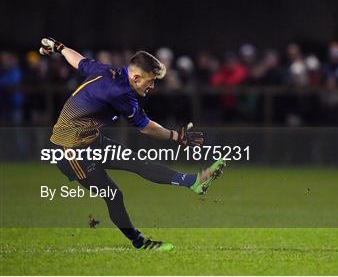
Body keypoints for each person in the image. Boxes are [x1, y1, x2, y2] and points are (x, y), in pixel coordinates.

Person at [39, 37, 225, 251]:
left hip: (89, 140)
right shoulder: (121, 93)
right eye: (151, 81)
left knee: (138, 163)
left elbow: (78, 60)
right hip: (69, 150)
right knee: (113, 194)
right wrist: (177, 136)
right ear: (136, 78)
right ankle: (139, 242)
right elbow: (145, 127)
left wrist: (59, 48)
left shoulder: (106, 71)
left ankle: (193, 182)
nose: (153, 86)